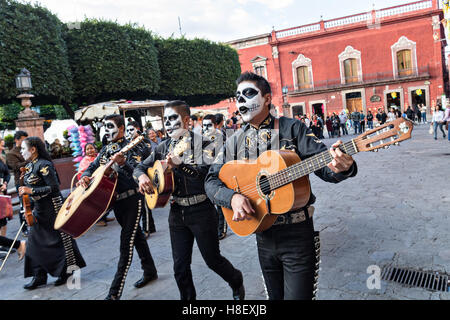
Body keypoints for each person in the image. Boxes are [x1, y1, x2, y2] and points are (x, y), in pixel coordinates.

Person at [205, 71, 357, 300]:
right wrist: (233, 198)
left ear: (267, 98)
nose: (242, 101)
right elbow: (210, 181)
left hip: (297, 234)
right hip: (262, 235)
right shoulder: (234, 141)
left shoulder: (292, 129)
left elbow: (325, 168)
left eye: (249, 93)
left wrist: (343, 167)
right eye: (238, 96)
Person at [134, 100, 245, 300]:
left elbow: (205, 176)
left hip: (201, 210)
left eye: (172, 119)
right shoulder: (163, 146)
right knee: (180, 267)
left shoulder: (205, 144)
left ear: (186, 120)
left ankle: (236, 279)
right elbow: (139, 167)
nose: (168, 124)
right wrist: (141, 176)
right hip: (177, 213)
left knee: (212, 260)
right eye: (165, 120)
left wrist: (180, 165)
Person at [79, 115, 158, 300]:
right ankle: (150, 270)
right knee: (136, 237)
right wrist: (86, 175)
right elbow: (92, 167)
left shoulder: (135, 146)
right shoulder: (105, 149)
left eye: (111, 126)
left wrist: (124, 164)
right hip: (116, 203)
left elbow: (140, 173)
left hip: (133, 200)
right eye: (105, 127)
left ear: (121, 128)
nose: (107, 130)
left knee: (126, 245)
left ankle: (114, 292)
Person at [18, 137, 86, 289]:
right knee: (33, 242)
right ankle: (39, 275)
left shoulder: (45, 165)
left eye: (23, 149)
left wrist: (31, 190)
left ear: (33, 149)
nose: (21, 152)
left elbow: (54, 188)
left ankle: (66, 272)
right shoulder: (29, 166)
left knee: (60, 241)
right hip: (39, 210)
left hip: (53, 208)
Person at [127, 121, 156, 237]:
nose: (129, 133)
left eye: (131, 130)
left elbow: (150, 160)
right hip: (133, 176)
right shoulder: (129, 144)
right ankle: (151, 227)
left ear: (138, 129)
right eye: (127, 130)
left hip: (144, 176)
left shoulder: (146, 143)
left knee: (145, 204)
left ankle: (147, 229)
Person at [6, 131, 29, 236]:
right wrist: (30, 160)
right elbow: (16, 167)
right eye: (23, 139)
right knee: (23, 205)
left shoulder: (28, 148)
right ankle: (24, 228)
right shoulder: (11, 153)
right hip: (20, 182)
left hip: (31, 179)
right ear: (17, 140)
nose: (25, 141)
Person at [0, 138, 10, 237]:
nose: (4, 147)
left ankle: (3, 244)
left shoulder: (2, 158)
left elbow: (7, 174)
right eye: (2, 145)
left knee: (3, 220)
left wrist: (5, 184)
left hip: (3, 192)